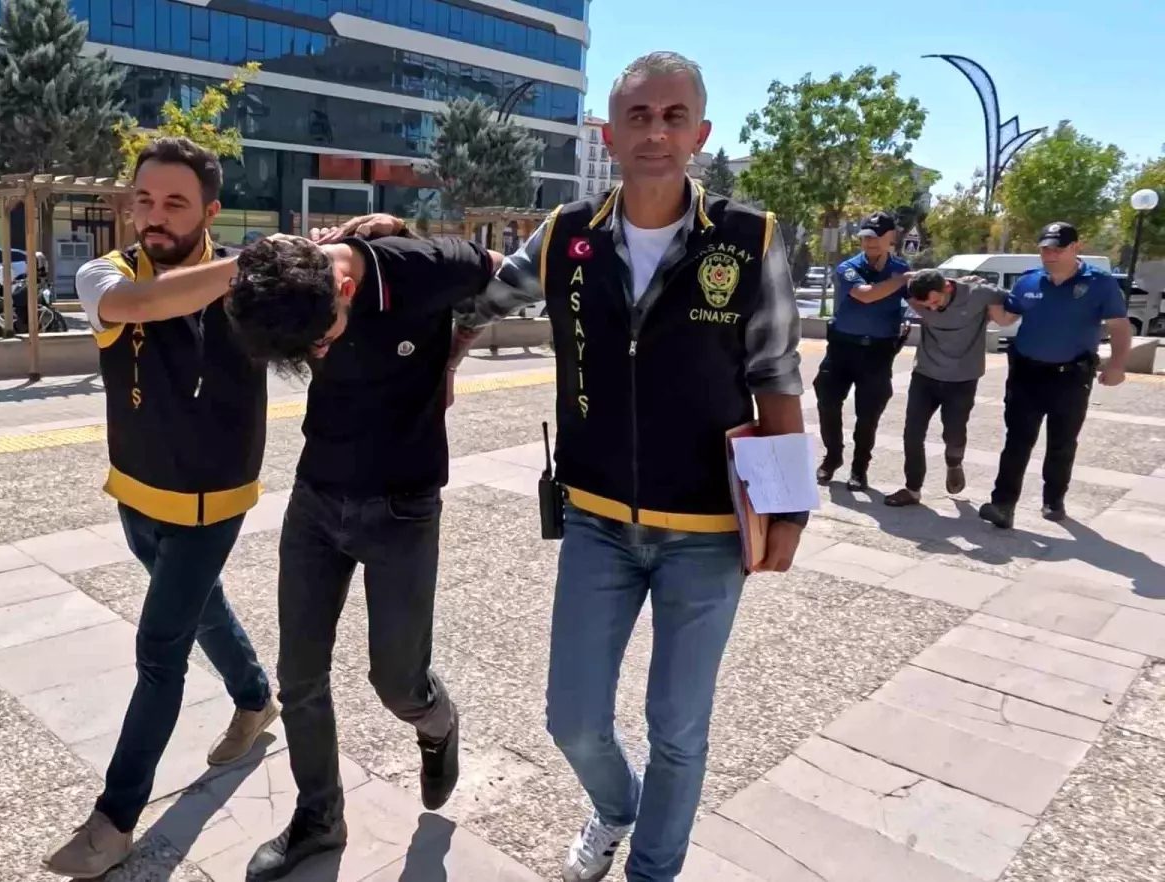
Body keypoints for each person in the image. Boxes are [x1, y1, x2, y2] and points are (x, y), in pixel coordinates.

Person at [331, 51, 809, 882]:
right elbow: (477, 300)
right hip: (598, 522)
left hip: (707, 530)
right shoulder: (568, 235)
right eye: (638, 116)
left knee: (677, 727)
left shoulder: (748, 238)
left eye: (672, 117)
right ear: (609, 135)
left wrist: (789, 510)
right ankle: (618, 807)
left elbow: (776, 376)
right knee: (572, 719)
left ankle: (652, 869)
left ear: (699, 133)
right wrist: (434, 339)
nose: (655, 132)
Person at [220, 231, 505, 881]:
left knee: (396, 683)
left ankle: (436, 720)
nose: (320, 353)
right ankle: (320, 818)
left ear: (345, 288)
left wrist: (452, 357)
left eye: (322, 339)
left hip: (403, 508)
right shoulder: (288, 279)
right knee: (299, 677)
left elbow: (507, 273)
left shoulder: (425, 267)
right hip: (316, 499)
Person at [43, 138, 277, 879]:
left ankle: (114, 819)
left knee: (159, 650)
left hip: (216, 498)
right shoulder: (107, 274)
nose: (154, 215)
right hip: (137, 491)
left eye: (175, 202)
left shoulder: (252, 283)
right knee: (202, 608)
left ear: (210, 211)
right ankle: (256, 699)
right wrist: (253, 264)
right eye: (144, 199)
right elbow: (147, 305)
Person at [979, 222, 1132, 529]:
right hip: (1026, 373)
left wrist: (1117, 364)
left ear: (1076, 247)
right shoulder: (1028, 281)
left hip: (1071, 376)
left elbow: (1119, 326)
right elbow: (1007, 318)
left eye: (1057, 249)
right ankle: (1003, 504)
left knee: (1062, 442)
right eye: (1045, 250)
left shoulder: (1099, 283)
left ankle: (1053, 500)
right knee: (1017, 440)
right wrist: (985, 297)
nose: (1049, 255)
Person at [883, 269, 1012, 506]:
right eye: (925, 306)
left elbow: (1011, 302)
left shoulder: (978, 294)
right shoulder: (917, 295)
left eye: (935, 302)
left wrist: (994, 312)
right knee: (912, 433)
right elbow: (900, 280)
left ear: (948, 287)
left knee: (953, 432)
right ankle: (912, 489)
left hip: (962, 378)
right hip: (925, 375)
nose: (931, 309)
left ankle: (954, 463)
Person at [814, 212, 911, 490]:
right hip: (842, 347)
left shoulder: (900, 269)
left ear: (891, 237)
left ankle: (859, 468)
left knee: (868, 413)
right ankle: (833, 456)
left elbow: (921, 300)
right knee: (827, 400)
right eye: (866, 237)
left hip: (878, 353)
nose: (870, 242)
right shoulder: (848, 267)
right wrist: (902, 280)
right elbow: (865, 294)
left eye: (876, 237)